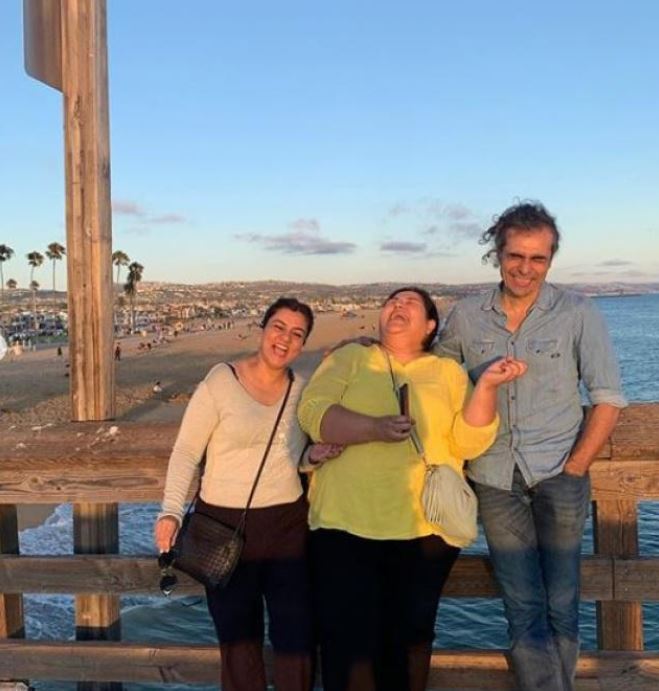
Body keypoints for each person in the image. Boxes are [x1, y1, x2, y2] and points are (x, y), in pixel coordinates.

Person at [436, 201, 627, 691]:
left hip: (560, 473)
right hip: (494, 477)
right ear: (497, 255)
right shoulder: (467, 316)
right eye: (515, 256)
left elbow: (607, 398)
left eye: (537, 258)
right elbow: (434, 381)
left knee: (562, 602)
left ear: (550, 259)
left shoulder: (578, 312)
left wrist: (576, 467)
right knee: (521, 604)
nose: (525, 268)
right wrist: (371, 351)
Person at [297, 287, 526, 691]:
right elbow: (313, 413)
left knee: (410, 642)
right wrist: (374, 428)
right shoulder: (350, 358)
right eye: (392, 301)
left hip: (424, 530)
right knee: (345, 643)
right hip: (342, 526)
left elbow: (468, 442)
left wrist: (488, 387)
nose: (397, 306)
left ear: (430, 325)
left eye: (410, 303)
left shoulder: (447, 371)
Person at [155, 297, 339, 691]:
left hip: (288, 525)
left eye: (296, 334)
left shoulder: (301, 390)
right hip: (222, 527)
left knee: (297, 638)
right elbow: (186, 451)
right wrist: (170, 512)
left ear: (302, 344)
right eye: (278, 327)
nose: (284, 339)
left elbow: (291, 456)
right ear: (262, 329)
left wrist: (313, 456)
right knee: (238, 641)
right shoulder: (222, 380)